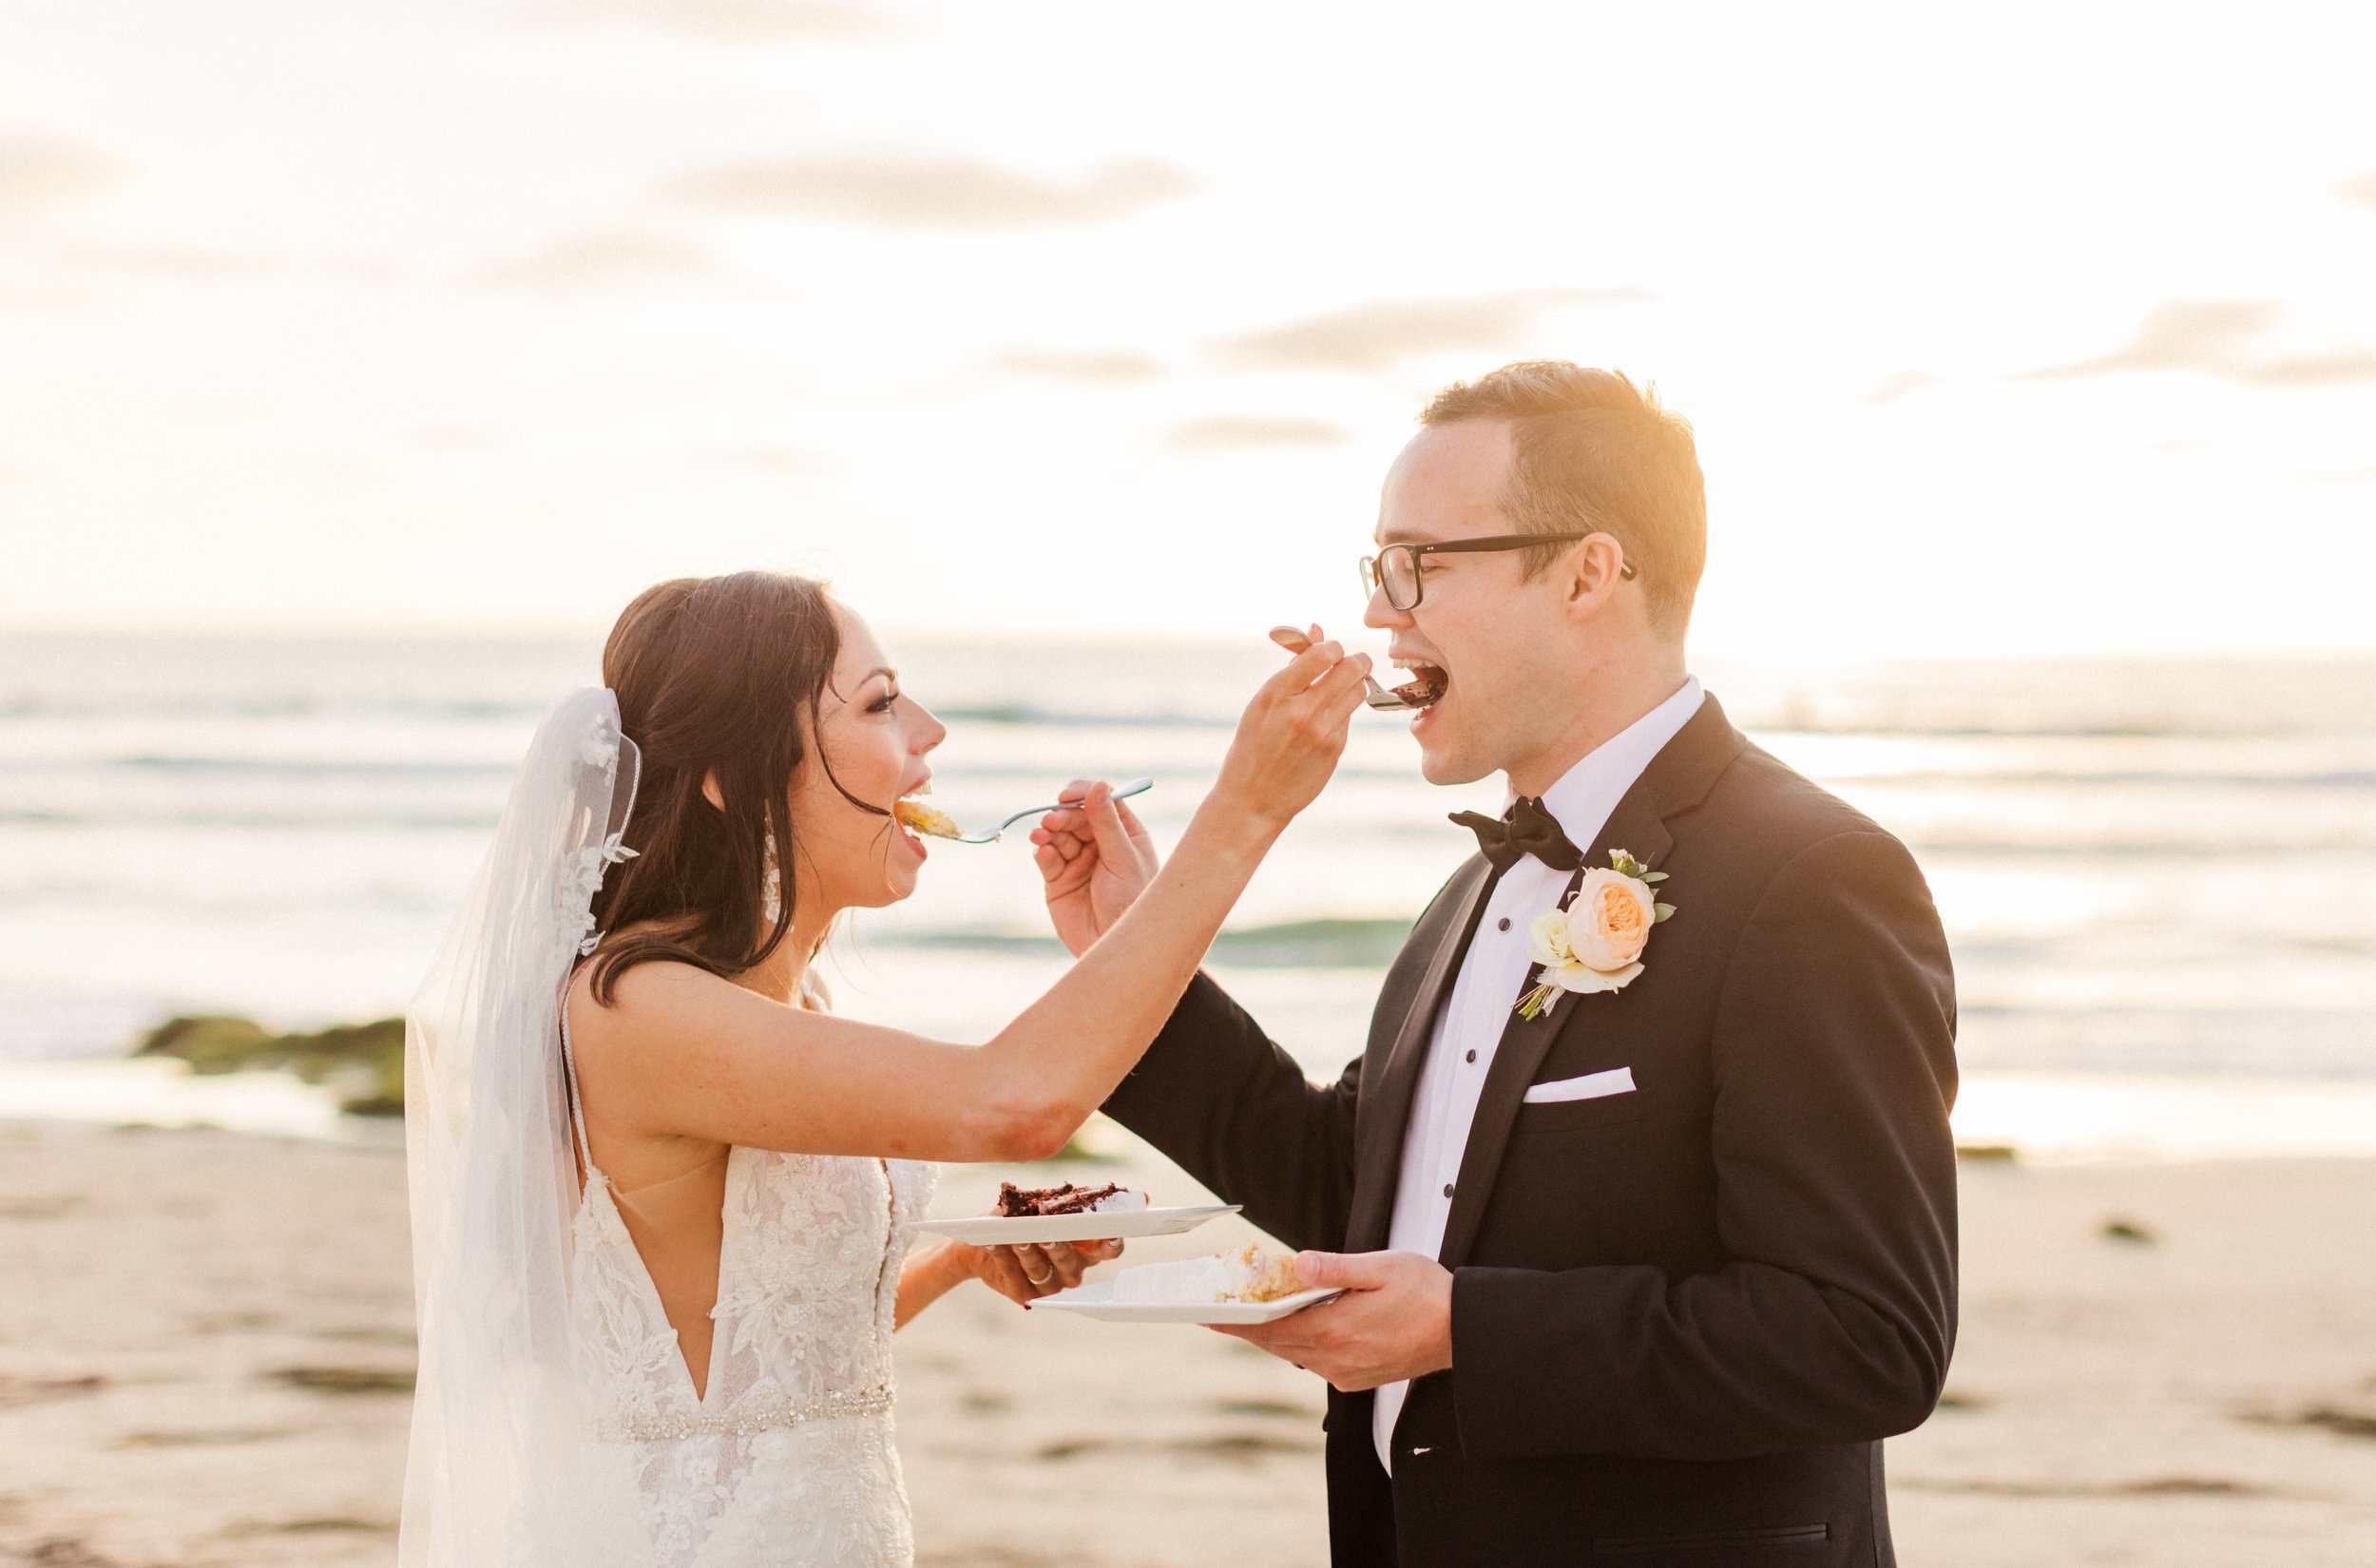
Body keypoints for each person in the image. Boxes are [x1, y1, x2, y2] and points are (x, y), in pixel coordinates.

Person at [1034, 363, 1960, 1566]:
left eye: (1420, 564)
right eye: (1377, 567)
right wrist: (1133, 953)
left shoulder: (1813, 876)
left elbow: (1863, 1337)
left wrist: (1469, 1327)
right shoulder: (1475, 889)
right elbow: (1346, 1187)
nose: (1381, 613)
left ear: (1588, 572)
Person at [399, 570, 1370, 1568]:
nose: (931, 729)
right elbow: (1017, 1102)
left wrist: (957, 1259)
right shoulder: (634, 1007)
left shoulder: (782, 1004)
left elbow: (754, 1360)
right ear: (733, 774)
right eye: (877, 702)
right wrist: (1242, 814)